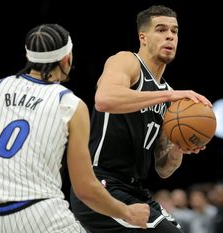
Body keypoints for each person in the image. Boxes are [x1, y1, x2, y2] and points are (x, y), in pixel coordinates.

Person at [0, 23, 150, 233]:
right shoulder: (69, 104)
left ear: (29, 57)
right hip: (39, 215)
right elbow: (85, 189)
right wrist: (127, 212)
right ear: (66, 59)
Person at [70, 5, 212, 233]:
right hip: (100, 185)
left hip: (135, 191)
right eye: (161, 29)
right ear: (143, 37)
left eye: (175, 31)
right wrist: (169, 95)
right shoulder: (127, 61)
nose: (170, 36)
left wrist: (179, 148)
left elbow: (163, 168)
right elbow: (104, 99)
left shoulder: (170, 99)